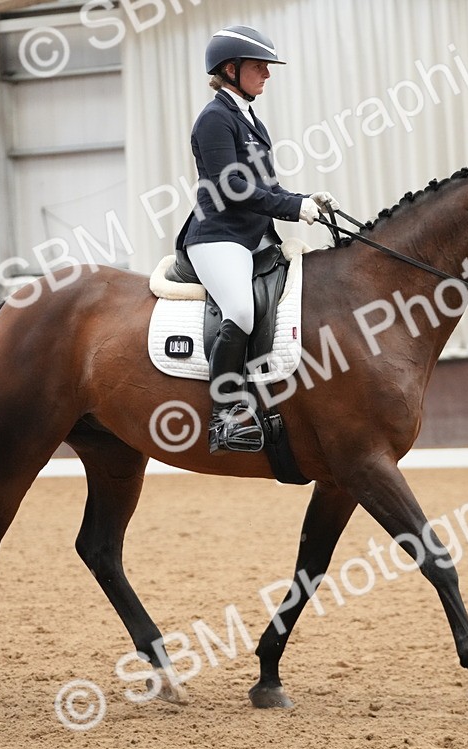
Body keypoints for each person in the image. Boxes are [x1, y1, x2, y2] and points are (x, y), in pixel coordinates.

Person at [175, 25, 338, 454]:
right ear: (230, 69)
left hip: (254, 237)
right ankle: (224, 416)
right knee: (241, 311)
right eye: (259, 67)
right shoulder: (214, 120)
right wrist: (290, 208)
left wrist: (304, 200)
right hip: (218, 237)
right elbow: (234, 188)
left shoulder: (251, 120)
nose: (267, 74)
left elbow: (267, 185)